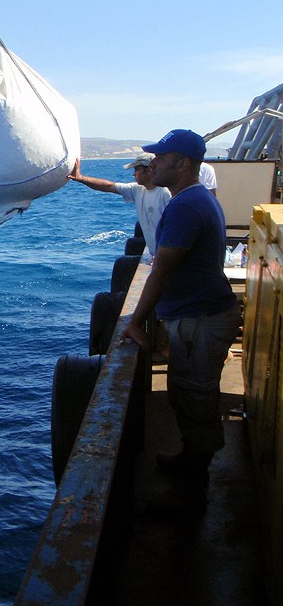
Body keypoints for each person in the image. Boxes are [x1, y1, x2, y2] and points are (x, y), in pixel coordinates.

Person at [120, 129, 240, 510]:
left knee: (196, 402)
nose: (152, 163)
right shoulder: (194, 199)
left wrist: (136, 321)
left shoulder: (187, 207)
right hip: (196, 316)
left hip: (200, 319)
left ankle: (192, 496)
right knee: (185, 395)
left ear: (182, 164)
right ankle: (190, 463)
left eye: (161, 157)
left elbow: (162, 270)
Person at [67, 155, 170, 256]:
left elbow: (174, 231)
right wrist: (81, 178)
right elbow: (108, 186)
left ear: (149, 170)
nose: (133, 174)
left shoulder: (165, 194)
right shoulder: (137, 190)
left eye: (136, 169)